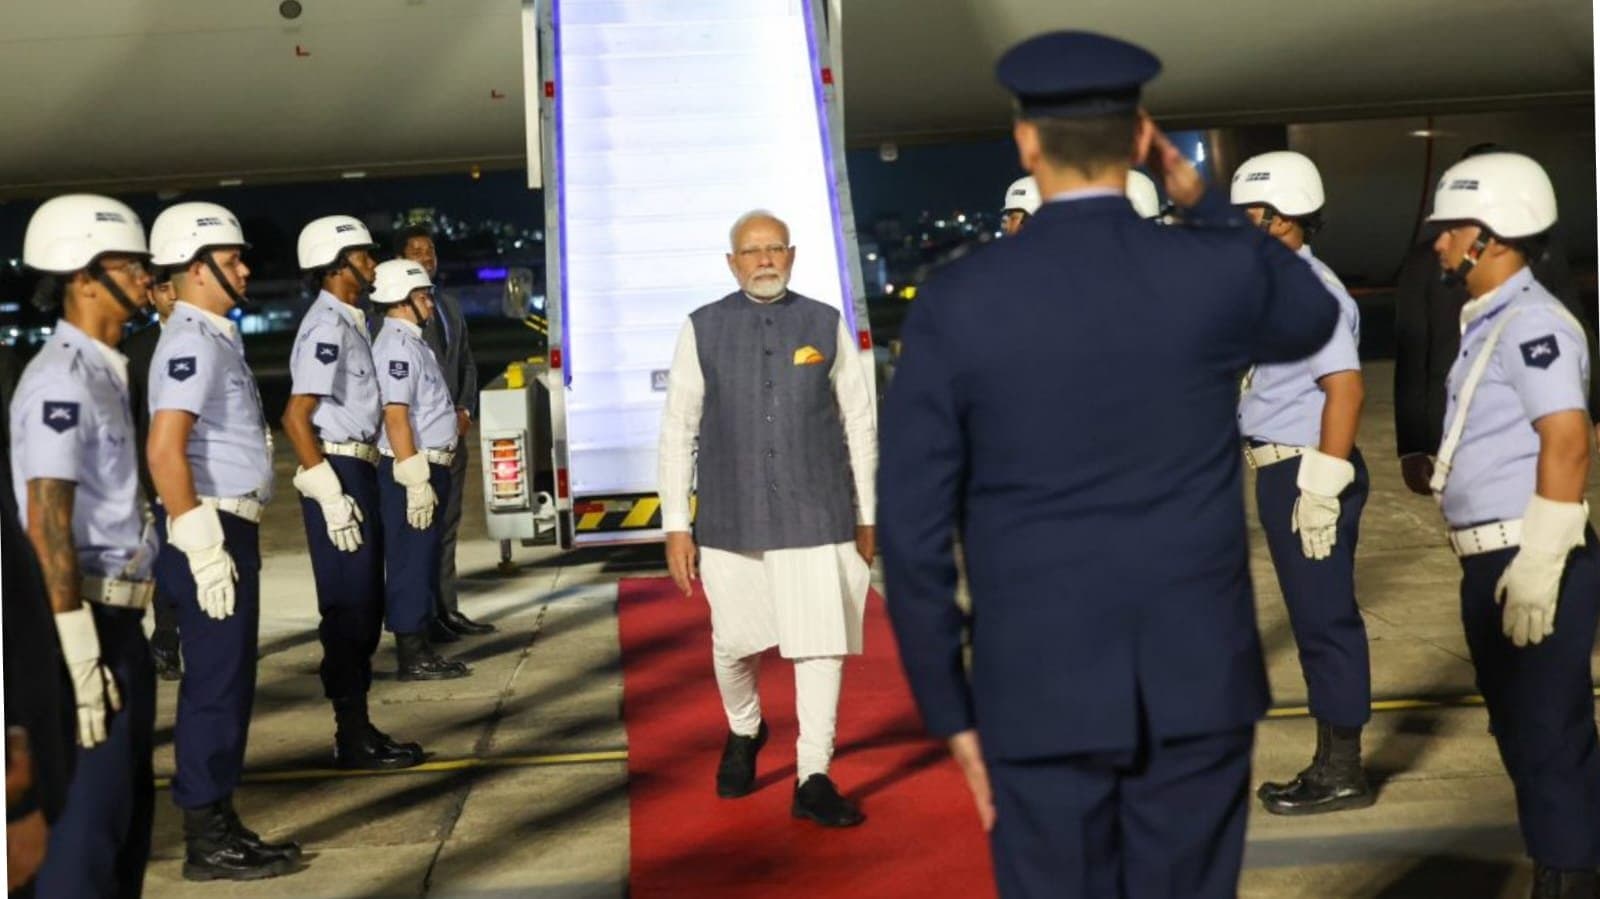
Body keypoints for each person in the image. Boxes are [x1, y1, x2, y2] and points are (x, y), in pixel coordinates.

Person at [878, 31, 1342, 899]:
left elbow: (912, 534)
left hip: (1037, 691)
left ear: (1026, 144)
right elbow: (1311, 313)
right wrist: (1200, 198)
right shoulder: (1205, 274)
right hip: (1197, 687)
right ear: (1140, 140)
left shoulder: (959, 303)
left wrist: (951, 710)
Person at [659, 210, 878, 828]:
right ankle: (746, 727)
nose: (764, 260)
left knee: (821, 647)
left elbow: (860, 423)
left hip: (818, 511)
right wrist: (677, 523)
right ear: (732, 263)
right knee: (733, 645)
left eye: (774, 248)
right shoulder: (702, 328)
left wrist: (868, 512)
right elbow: (678, 428)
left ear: (792, 255)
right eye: (751, 251)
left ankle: (814, 774)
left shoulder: (824, 324)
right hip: (733, 517)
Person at [1425, 152, 1599, 898]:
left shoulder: (1532, 323)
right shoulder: (1493, 320)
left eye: (1449, 228)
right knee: (1525, 735)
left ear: (1490, 236)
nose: (1437, 242)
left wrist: (1540, 559)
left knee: (1547, 737)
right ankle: (1561, 864)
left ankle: (1569, 880)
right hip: (1492, 558)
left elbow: (1568, 436)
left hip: (1528, 554)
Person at [145, 201, 301, 880]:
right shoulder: (188, 340)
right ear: (197, 269)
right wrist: (203, 546)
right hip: (208, 525)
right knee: (215, 682)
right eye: (232, 257)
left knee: (230, 680)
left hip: (226, 521)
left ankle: (220, 816)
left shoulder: (212, 334)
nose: (244, 266)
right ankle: (206, 836)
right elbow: (164, 450)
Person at [9, 194, 158, 897]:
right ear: (84, 275)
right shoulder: (59, 381)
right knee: (84, 837)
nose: (146, 278)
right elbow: (48, 521)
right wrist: (77, 651)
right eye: (131, 265)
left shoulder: (103, 367)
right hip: (84, 623)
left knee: (124, 827)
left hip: (121, 623)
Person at [1229, 150, 1375, 815]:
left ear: (1285, 215)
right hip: (1282, 466)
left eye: (1251, 213)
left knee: (1325, 619)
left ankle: (1342, 770)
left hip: (1306, 467)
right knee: (1314, 616)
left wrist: (1320, 486)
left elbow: (1344, 389)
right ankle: (1330, 762)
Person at [283, 216, 451, 776]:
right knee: (349, 609)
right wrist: (328, 491)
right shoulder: (328, 326)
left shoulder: (349, 322)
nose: (373, 264)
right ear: (336, 265)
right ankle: (349, 734)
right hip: (338, 467)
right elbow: (296, 416)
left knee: (364, 608)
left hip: (357, 463)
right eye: (363, 255)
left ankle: (358, 727)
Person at [1393, 143, 1597, 495]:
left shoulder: (1536, 314)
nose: (1443, 243)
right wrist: (1412, 444)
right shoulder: (1424, 263)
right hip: (1457, 431)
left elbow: (1574, 326)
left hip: (1520, 439)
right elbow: (1411, 353)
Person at [369, 258, 474, 680]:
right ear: (401, 301)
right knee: (411, 560)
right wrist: (414, 479)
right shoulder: (395, 345)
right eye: (422, 296)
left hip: (431, 466)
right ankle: (412, 654)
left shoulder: (412, 341)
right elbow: (396, 416)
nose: (430, 303)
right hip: (415, 470)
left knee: (424, 556)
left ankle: (422, 642)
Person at [393, 225, 491, 641]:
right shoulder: (396, 318)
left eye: (430, 251)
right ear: (402, 260)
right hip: (419, 442)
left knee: (448, 528)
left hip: (454, 435)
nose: (426, 257)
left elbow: (466, 364)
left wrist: (465, 409)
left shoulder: (448, 305)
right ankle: (423, 616)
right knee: (422, 533)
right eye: (416, 251)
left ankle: (447, 609)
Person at [125, 256, 183, 680]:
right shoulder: (136, 350)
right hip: (154, 473)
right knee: (165, 563)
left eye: (175, 286)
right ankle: (165, 640)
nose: (172, 295)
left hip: (204, 469)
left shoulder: (215, 337)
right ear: (151, 295)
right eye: (162, 288)